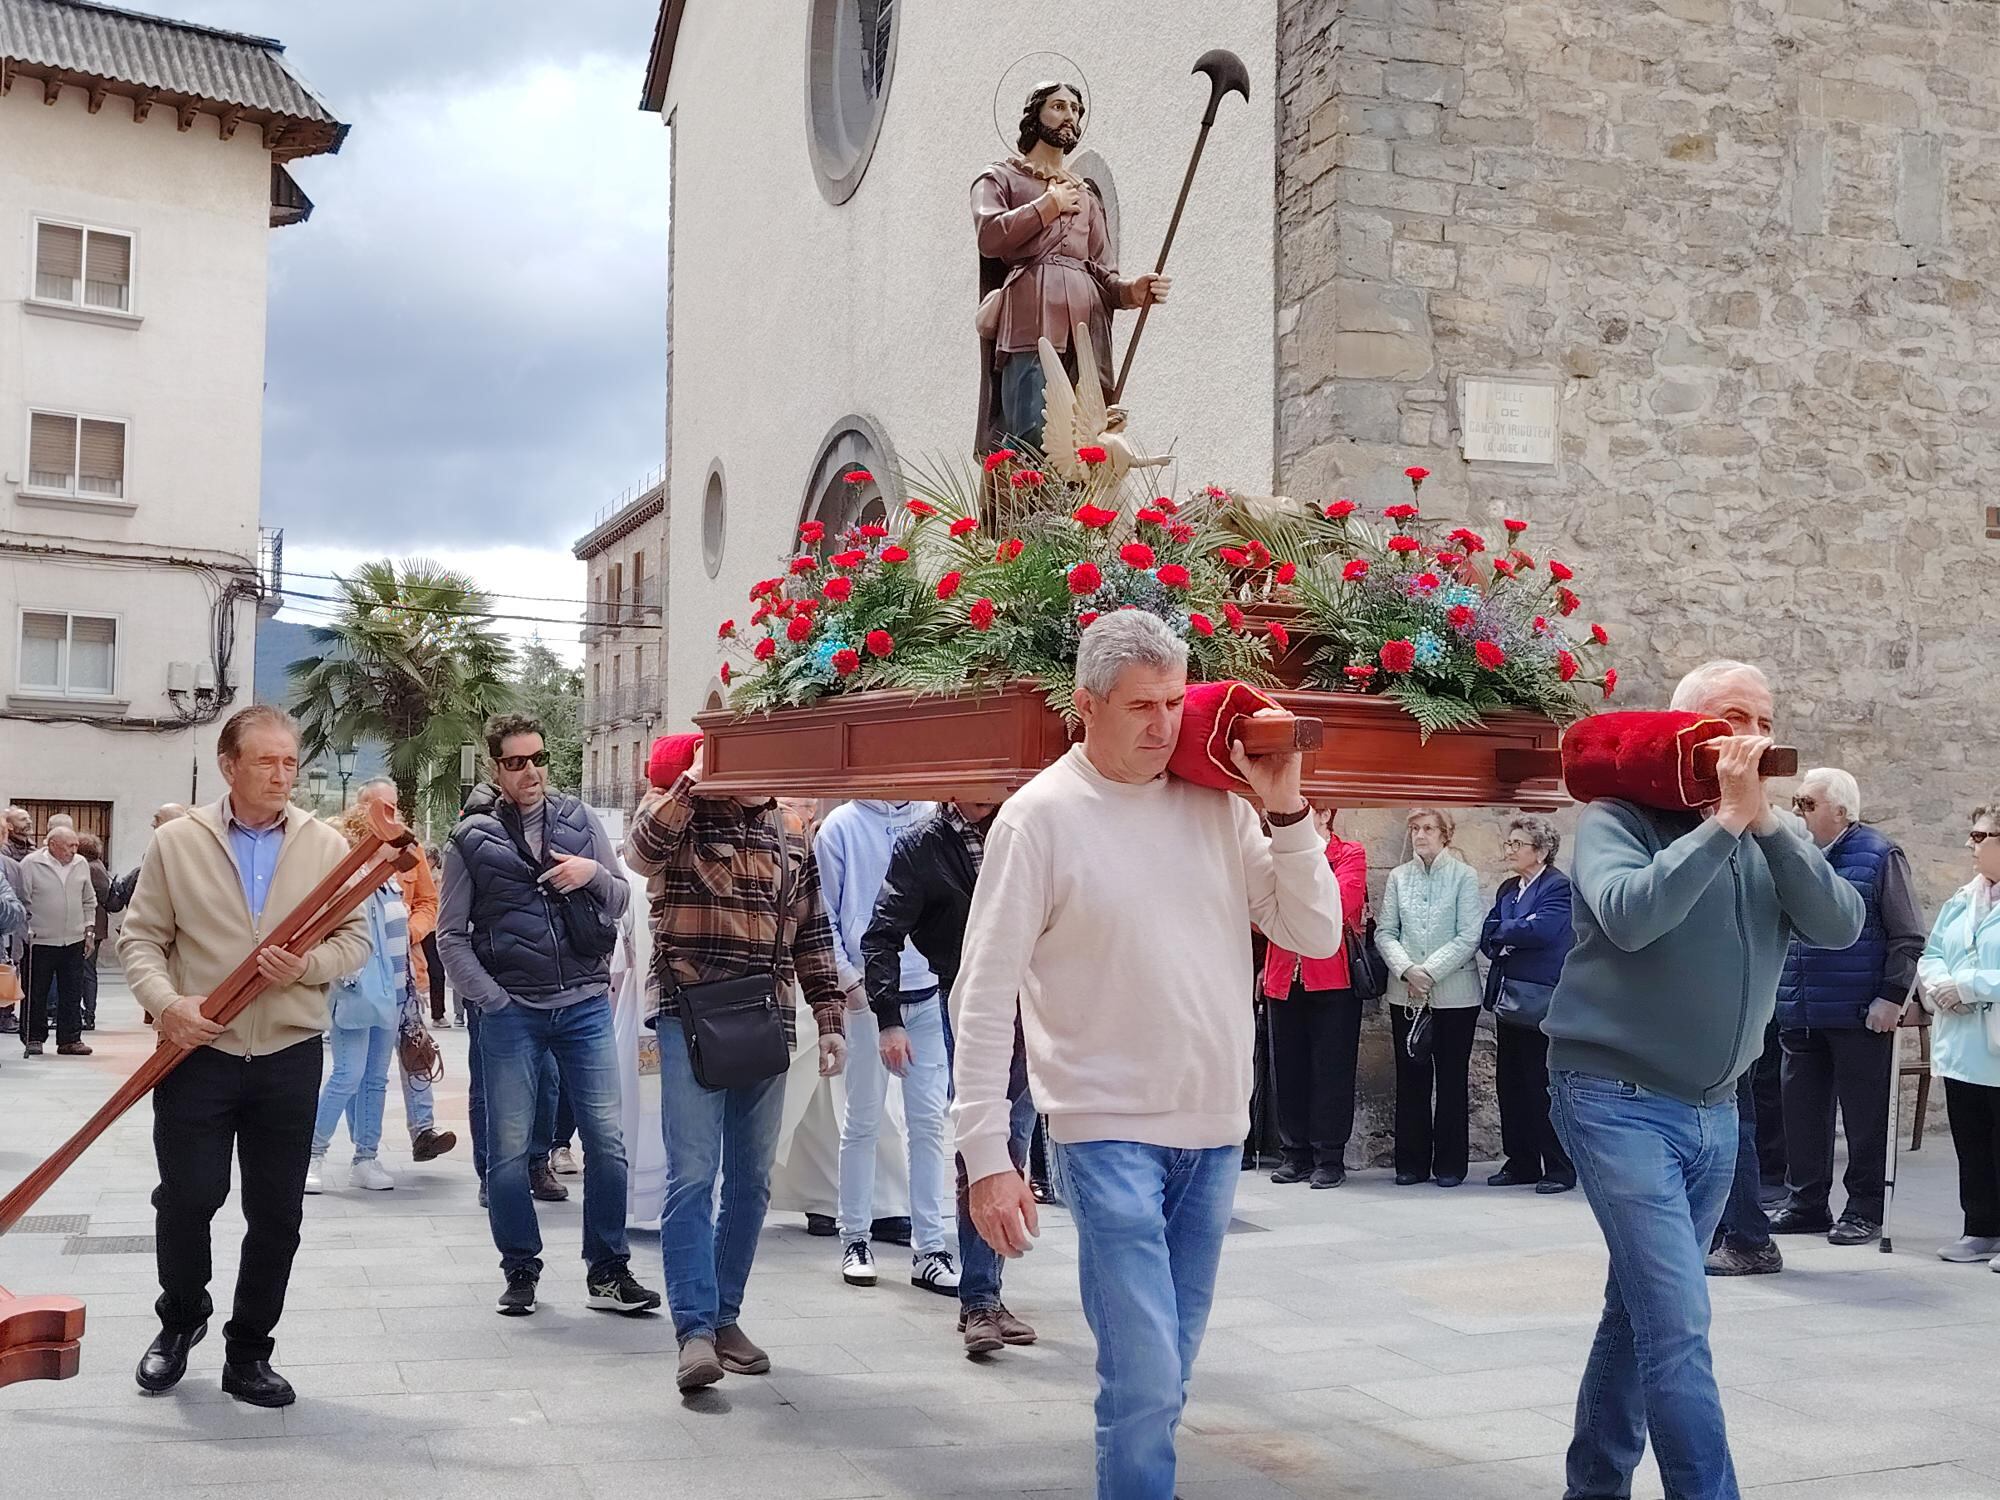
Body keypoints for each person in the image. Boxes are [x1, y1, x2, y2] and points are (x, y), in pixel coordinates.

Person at [951, 612, 1341, 1499]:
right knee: (1146, 1378)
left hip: (1212, 1132)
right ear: (1087, 706)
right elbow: (983, 994)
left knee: (1168, 1374)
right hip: (1101, 1129)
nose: (1165, 723)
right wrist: (986, 1158)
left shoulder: (1220, 804)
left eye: (1174, 701)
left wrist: (1285, 807)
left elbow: (1313, 932)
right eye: (1141, 705)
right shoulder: (1036, 820)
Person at [1541, 660, 1864, 1499]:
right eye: (1730, 719)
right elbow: (1629, 916)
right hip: (1613, 1099)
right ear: (1684, 730)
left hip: (1715, 1114)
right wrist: (1720, 823)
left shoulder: (1770, 832)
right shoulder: (1618, 817)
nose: (1750, 737)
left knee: (1640, 1314)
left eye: (1762, 718)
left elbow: (1838, 925)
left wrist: (1768, 830)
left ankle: (1593, 1487)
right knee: (1679, 1324)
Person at [118, 705, 372, 1407]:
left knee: (277, 1214)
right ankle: (181, 1319)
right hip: (198, 1052)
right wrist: (170, 1005)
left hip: (290, 1054)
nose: (282, 775)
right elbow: (138, 938)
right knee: (188, 1197)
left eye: (291, 762)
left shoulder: (324, 845)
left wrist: (310, 965)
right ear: (229, 766)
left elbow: (355, 943)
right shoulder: (180, 843)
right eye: (266, 761)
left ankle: (249, 1351)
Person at [625, 731, 849, 1394]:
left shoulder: (789, 832)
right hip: (691, 1014)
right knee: (693, 1176)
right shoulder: (677, 814)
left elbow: (813, 931)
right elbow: (640, 856)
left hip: (765, 1019)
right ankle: (692, 1331)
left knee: (751, 1179)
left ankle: (724, 1318)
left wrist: (829, 1018)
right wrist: (694, 781)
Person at [438, 713, 658, 1321]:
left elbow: (621, 898)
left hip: (584, 1003)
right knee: (508, 1152)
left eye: (538, 758)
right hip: (512, 1011)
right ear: (496, 767)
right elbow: (449, 936)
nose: (530, 771)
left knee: (608, 1146)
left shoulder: (580, 821)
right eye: (516, 761)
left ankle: (609, 1271)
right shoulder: (470, 840)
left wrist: (591, 873)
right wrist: (493, 1001)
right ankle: (520, 1268)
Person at [863, 797, 1040, 1354]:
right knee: (987, 1140)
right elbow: (882, 934)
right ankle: (980, 1299)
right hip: (970, 1001)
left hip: (1042, 999)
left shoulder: (1029, 821)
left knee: (1020, 1145)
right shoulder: (922, 843)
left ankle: (989, 1290)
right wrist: (889, 1018)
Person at [1769, 768, 1924, 1248]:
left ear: (1841, 811)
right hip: (1801, 1008)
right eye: (1795, 802)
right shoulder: (1793, 854)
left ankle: (1865, 1209)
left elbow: (1907, 934)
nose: (1798, 812)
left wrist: (1892, 996)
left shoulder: (1879, 855)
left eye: (1807, 804)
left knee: (1864, 1117)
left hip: (1860, 1011)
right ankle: (1807, 1202)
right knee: (1802, 1115)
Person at [972, 80, 1169, 450]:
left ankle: (1077, 508)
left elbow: (1100, 269)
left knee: (1087, 437)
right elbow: (990, 235)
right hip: (1031, 316)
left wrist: (1130, 291)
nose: (1070, 117)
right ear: (1035, 115)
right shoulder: (1001, 177)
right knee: (1032, 430)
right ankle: (1031, 504)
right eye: (1059, 107)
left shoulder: (1087, 195)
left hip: (1087, 326)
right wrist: (1047, 205)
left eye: (1076, 110)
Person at [819, 798, 959, 1294]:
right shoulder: (841, 826)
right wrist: (851, 983)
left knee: (928, 1123)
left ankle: (930, 1246)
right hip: (867, 997)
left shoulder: (932, 815)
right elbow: (825, 914)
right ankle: (854, 1236)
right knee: (862, 1119)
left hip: (926, 990)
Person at [1260, 804, 1370, 1189]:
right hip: (1283, 976)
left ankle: (1329, 1156)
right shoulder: (1272, 853)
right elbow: (1261, 907)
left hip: (1332, 976)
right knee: (1287, 1068)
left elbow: (1343, 904)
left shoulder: (1349, 852)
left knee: (1332, 1069)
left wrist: (1299, 884)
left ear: (1324, 815)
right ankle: (1295, 1153)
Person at [1376, 808, 1484, 1187]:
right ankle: (1411, 1163)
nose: (1420, 835)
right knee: (1411, 1077)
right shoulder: (1399, 877)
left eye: (1427, 829)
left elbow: (1469, 935)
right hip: (1406, 993)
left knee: (1452, 1078)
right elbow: (1385, 931)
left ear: (1445, 835)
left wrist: (1430, 972)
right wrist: (1408, 970)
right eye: (1415, 829)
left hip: (1455, 994)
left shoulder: (1464, 876)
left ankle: (1451, 1165)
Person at [306, 805, 409, 1194]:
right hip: (359, 991)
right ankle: (311, 1154)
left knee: (375, 1080)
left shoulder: (388, 882)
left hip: (392, 994)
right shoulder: (356, 883)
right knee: (348, 1075)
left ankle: (366, 1157)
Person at [352, 781, 456, 1164]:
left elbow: (429, 902)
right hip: (364, 976)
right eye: (378, 805)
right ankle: (362, 1144)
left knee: (416, 1049)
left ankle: (424, 1130)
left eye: (393, 806)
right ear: (361, 807)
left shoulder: (409, 853)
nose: (388, 813)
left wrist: (410, 930)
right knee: (360, 1068)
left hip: (407, 970)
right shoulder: (348, 855)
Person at [1917, 796, 2000, 1267]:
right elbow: (1932, 953)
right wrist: (1939, 984)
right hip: (1964, 1041)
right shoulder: (1961, 899)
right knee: (1970, 1138)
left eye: (1981, 836)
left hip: (1995, 1036)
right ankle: (1981, 1227)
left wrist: (1967, 984)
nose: (1971, 845)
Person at [1480, 814, 1577, 1193]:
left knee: (1542, 1084)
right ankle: (1520, 1161)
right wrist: (1509, 931)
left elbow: (1542, 931)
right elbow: (1488, 933)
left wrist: (1509, 931)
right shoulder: (1508, 888)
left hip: (1542, 997)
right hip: (1509, 996)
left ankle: (1558, 1166)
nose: (1510, 850)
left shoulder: (1558, 887)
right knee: (1511, 1082)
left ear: (1541, 851)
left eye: (1517, 844)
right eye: (1509, 843)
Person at [19, 824, 96, 1058]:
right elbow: (22, 900)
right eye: (69, 846)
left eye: (75, 845)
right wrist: (27, 930)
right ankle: (33, 1037)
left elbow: (89, 899)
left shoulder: (80, 863)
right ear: (52, 845)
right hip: (40, 940)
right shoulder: (31, 864)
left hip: (72, 938)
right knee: (35, 992)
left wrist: (89, 931)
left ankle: (70, 1039)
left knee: (72, 991)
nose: (74, 850)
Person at [75, 832, 111, 1031]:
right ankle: (87, 1013)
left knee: (87, 970)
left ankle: (89, 1013)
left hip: (91, 925)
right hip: (96, 924)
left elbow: (101, 894)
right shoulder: (97, 865)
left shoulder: (90, 868)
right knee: (87, 969)